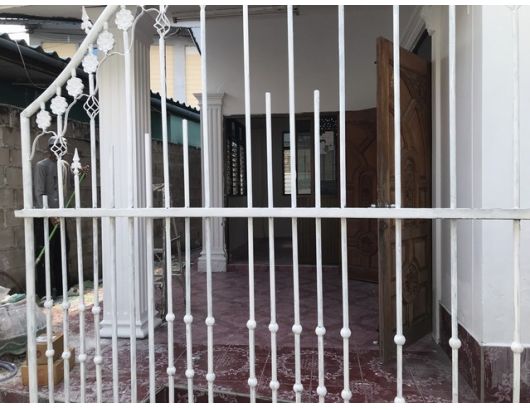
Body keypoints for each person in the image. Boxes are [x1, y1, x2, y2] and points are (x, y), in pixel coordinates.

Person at [33, 136, 72, 299]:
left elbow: (68, 186)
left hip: (60, 215)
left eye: (62, 147)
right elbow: (39, 193)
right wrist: (49, 214)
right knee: (45, 253)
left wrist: (79, 173)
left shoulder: (65, 165)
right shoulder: (41, 166)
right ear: (49, 149)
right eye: (56, 147)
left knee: (62, 250)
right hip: (44, 217)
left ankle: (62, 288)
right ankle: (44, 292)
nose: (59, 150)